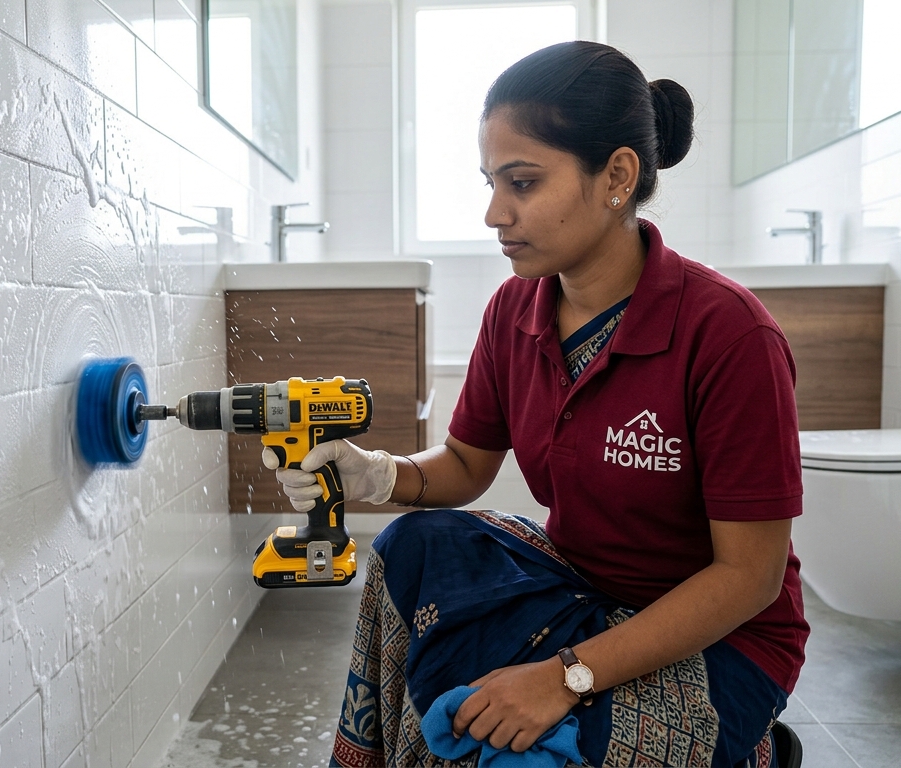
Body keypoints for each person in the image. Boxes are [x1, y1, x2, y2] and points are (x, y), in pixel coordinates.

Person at [263, 40, 808, 768]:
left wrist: (565, 678)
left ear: (617, 176)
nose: (494, 212)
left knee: (528, 752)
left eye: (522, 182)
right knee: (413, 549)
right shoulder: (514, 312)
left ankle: (756, 747)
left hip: (722, 631)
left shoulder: (729, 335)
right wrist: (378, 474)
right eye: (491, 182)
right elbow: (463, 463)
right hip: (581, 583)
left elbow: (749, 578)